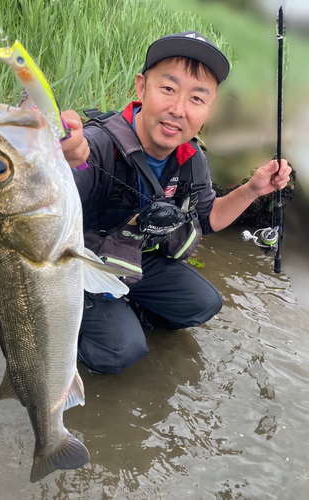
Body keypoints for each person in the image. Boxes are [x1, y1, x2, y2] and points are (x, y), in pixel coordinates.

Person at [60, 31, 291, 375]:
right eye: (167, 89)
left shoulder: (191, 156)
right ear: (141, 87)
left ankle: (126, 311)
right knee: (123, 351)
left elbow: (208, 218)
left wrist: (254, 189)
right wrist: (58, 158)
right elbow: (43, 197)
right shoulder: (95, 145)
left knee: (203, 303)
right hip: (81, 269)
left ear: (209, 109)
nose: (178, 109)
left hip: (133, 261)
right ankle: (78, 327)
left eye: (197, 98)